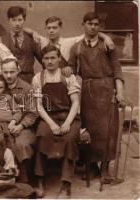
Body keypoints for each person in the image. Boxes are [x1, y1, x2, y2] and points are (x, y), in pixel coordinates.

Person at [67, 12, 125, 179]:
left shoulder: (107, 45)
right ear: (83, 24)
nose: (93, 27)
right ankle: (90, 166)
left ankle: (105, 167)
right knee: (89, 129)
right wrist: (68, 71)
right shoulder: (76, 47)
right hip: (87, 91)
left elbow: (117, 69)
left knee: (108, 130)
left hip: (106, 90)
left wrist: (119, 92)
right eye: (89, 24)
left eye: (96, 24)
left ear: (99, 26)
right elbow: (70, 68)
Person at [32, 45, 81, 198]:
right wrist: (52, 124)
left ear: (59, 58)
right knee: (42, 134)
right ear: (42, 61)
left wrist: (67, 123)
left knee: (69, 138)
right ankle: (39, 179)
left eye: (53, 57)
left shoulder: (68, 77)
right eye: (46, 58)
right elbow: (38, 106)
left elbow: (75, 103)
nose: (50, 61)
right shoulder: (38, 78)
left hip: (69, 116)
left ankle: (66, 184)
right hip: (48, 117)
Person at [25, 16, 114, 73]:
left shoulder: (68, 42)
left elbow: (91, 33)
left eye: (54, 28)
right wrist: (34, 33)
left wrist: (106, 38)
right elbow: (24, 29)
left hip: (65, 79)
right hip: (47, 79)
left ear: (61, 28)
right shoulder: (43, 41)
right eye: (49, 28)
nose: (51, 31)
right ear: (45, 29)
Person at [1, 58, 38, 183]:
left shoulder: (27, 89)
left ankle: (25, 180)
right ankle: (4, 180)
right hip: (2, 127)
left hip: (24, 128)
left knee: (21, 144)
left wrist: (21, 126)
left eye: (12, 72)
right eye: (5, 72)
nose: (8, 75)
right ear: (1, 72)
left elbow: (32, 114)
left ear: (18, 70)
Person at [0, 6, 42, 83]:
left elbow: (43, 60)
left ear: (24, 20)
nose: (17, 23)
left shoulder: (32, 38)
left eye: (20, 20)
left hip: (28, 79)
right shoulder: (2, 40)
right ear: (9, 20)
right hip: (8, 80)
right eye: (14, 20)